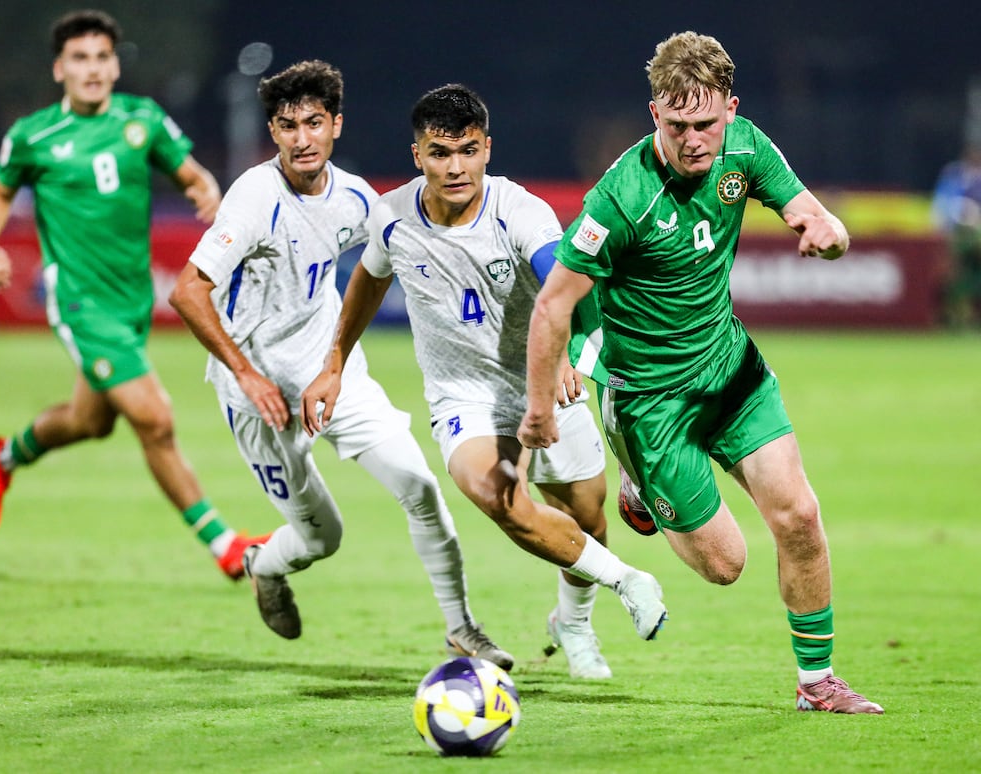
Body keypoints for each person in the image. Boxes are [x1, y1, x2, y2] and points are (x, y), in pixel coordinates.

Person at [518, 31, 883, 713]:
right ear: (655, 113)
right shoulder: (620, 198)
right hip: (651, 403)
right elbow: (553, 305)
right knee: (726, 566)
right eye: (678, 124)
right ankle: (638, 479)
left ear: (731, 110)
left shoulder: (746, 147)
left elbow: (810, 212)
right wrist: (542, 405)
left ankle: (817, 683)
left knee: (800, 515)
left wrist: (829, 235)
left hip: (728, 370)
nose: (694, 140)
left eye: (707, 123)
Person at [300, 83, 668, 679]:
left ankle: (571, 624)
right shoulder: (392, 219)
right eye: (440, 153)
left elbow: (571, 285)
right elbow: (368, 281)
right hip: (464, 399)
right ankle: (629, 582)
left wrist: (573, 358)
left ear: (487, 149)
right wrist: (334, 363)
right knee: (497, 495)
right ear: (417, 155)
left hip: (547, 383)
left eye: (467, 151)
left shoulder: (520, 213)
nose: (455, 167)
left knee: (587, 522)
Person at [169, 62, 513, 667]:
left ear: (336, 125)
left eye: (314, 123)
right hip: (259, 398)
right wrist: (247, 376)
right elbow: (188, 292)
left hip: (333, 378)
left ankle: (462, 627)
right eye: (287, 125)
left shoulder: (356, 199)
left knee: (421, 487)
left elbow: (395, 253)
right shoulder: (253, 198)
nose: (302, 138)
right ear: (273, 132)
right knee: (321, 538)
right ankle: (262, 565)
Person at [0, 9, 266, 579]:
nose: (93, 69)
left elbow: (192, 174)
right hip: (79, 300)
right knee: (153, 417)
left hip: (131, 299)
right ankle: (224, 545)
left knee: (91, 421)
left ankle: (2, 456)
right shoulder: (33, 135)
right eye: (80, 59)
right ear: (60, 68)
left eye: (102, 57)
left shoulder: (143, 120)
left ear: (114, 64)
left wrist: (207, 191)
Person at [931, 143, 981, 326]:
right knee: (952, 279)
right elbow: (942, 208)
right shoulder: (955, 176)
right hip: (955, 240)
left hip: (970, 244)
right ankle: (954, 316)